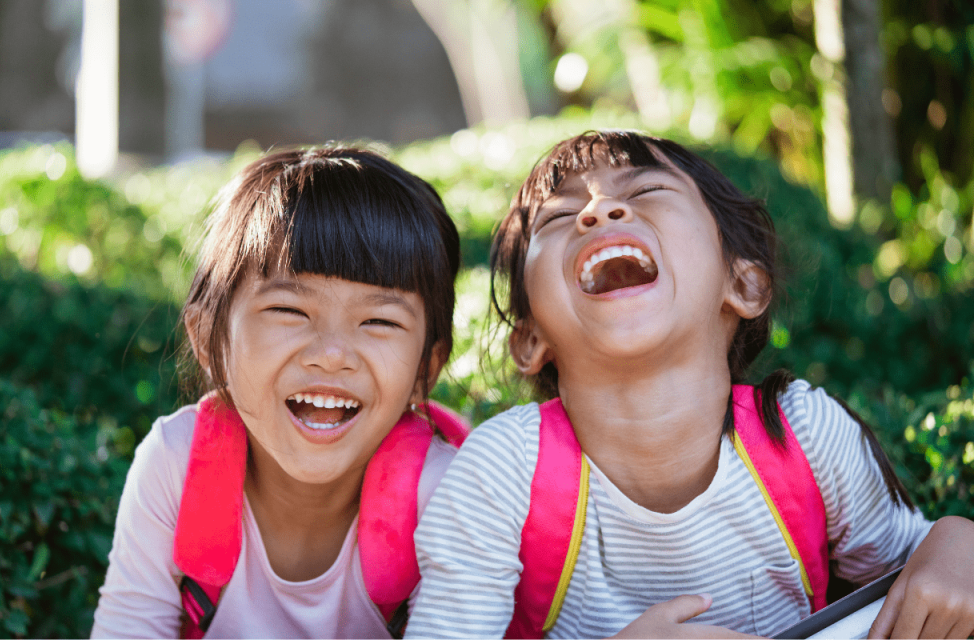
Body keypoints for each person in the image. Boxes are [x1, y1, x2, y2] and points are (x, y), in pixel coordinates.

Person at [405, 130, 974, 639]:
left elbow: (919, 572)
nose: (599, 211)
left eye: (645, 193)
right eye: (559, 217)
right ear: (530, 339)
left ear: (743, 284)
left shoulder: (805, 435)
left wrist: (956, 543)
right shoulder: (503, 472)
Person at [92, 146, 464, 638]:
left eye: (378, 320)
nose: (332, 354)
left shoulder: (444, 494)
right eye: (289, 311)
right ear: (209, 338)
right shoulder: (175, 466)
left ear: (426, 367)